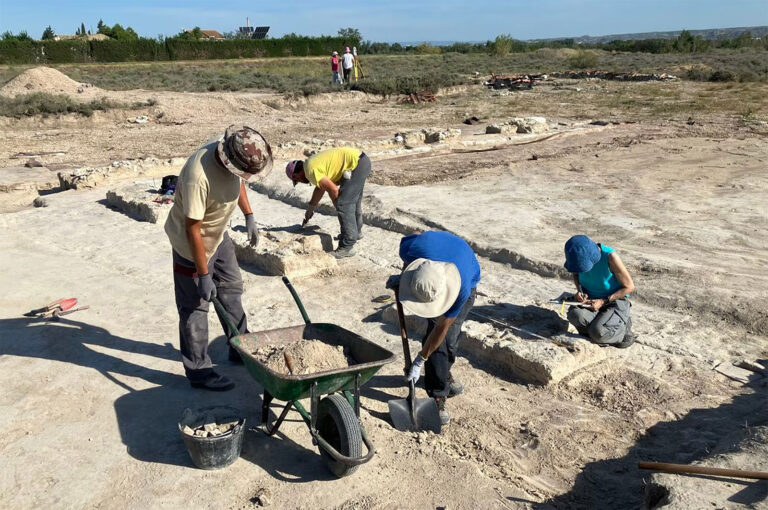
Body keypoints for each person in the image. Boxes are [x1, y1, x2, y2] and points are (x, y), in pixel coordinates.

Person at [164, 125, 273, 390]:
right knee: (195, 308)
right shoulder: (197, 177)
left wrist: (249, 215)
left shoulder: (232, 151)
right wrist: (202, 274)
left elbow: (239, 180)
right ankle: (199, 371)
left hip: (218, 235)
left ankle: (239, 345)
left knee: (231, 289)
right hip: (192, 244)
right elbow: (193, 229)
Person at [396, 231, 481, 425]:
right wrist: (403, 278)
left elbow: (441, 329)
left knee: (447, 338)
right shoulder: (410, 249)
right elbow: (410, 244)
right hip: (437, 261)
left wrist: (419, 360)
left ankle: (440, 378)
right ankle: (437, 389)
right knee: (440, 346)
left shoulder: (462, 290)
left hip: (466, 272)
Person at [285, 148, 371, 259]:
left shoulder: (310, 171)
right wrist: (310, 209)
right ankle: (356, 232)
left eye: (297, 180)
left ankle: (347, 246)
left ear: (296, 175)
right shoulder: (310, 164)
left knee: (345, 204)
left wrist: (341, 209)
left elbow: (333, 190)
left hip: (356, 165)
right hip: (361, 161)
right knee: (353, 202)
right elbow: (320, 188)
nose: (300, 182)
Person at [563, 235, 636, 348]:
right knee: (575, 315)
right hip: (591, 301)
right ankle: (598, 332)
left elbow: (629, 286)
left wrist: (603, 301)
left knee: (598, 333)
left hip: (614, 301)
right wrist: (580, 291)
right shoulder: (576, 257)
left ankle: (623, 331)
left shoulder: (610, 257)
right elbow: (576, 273)